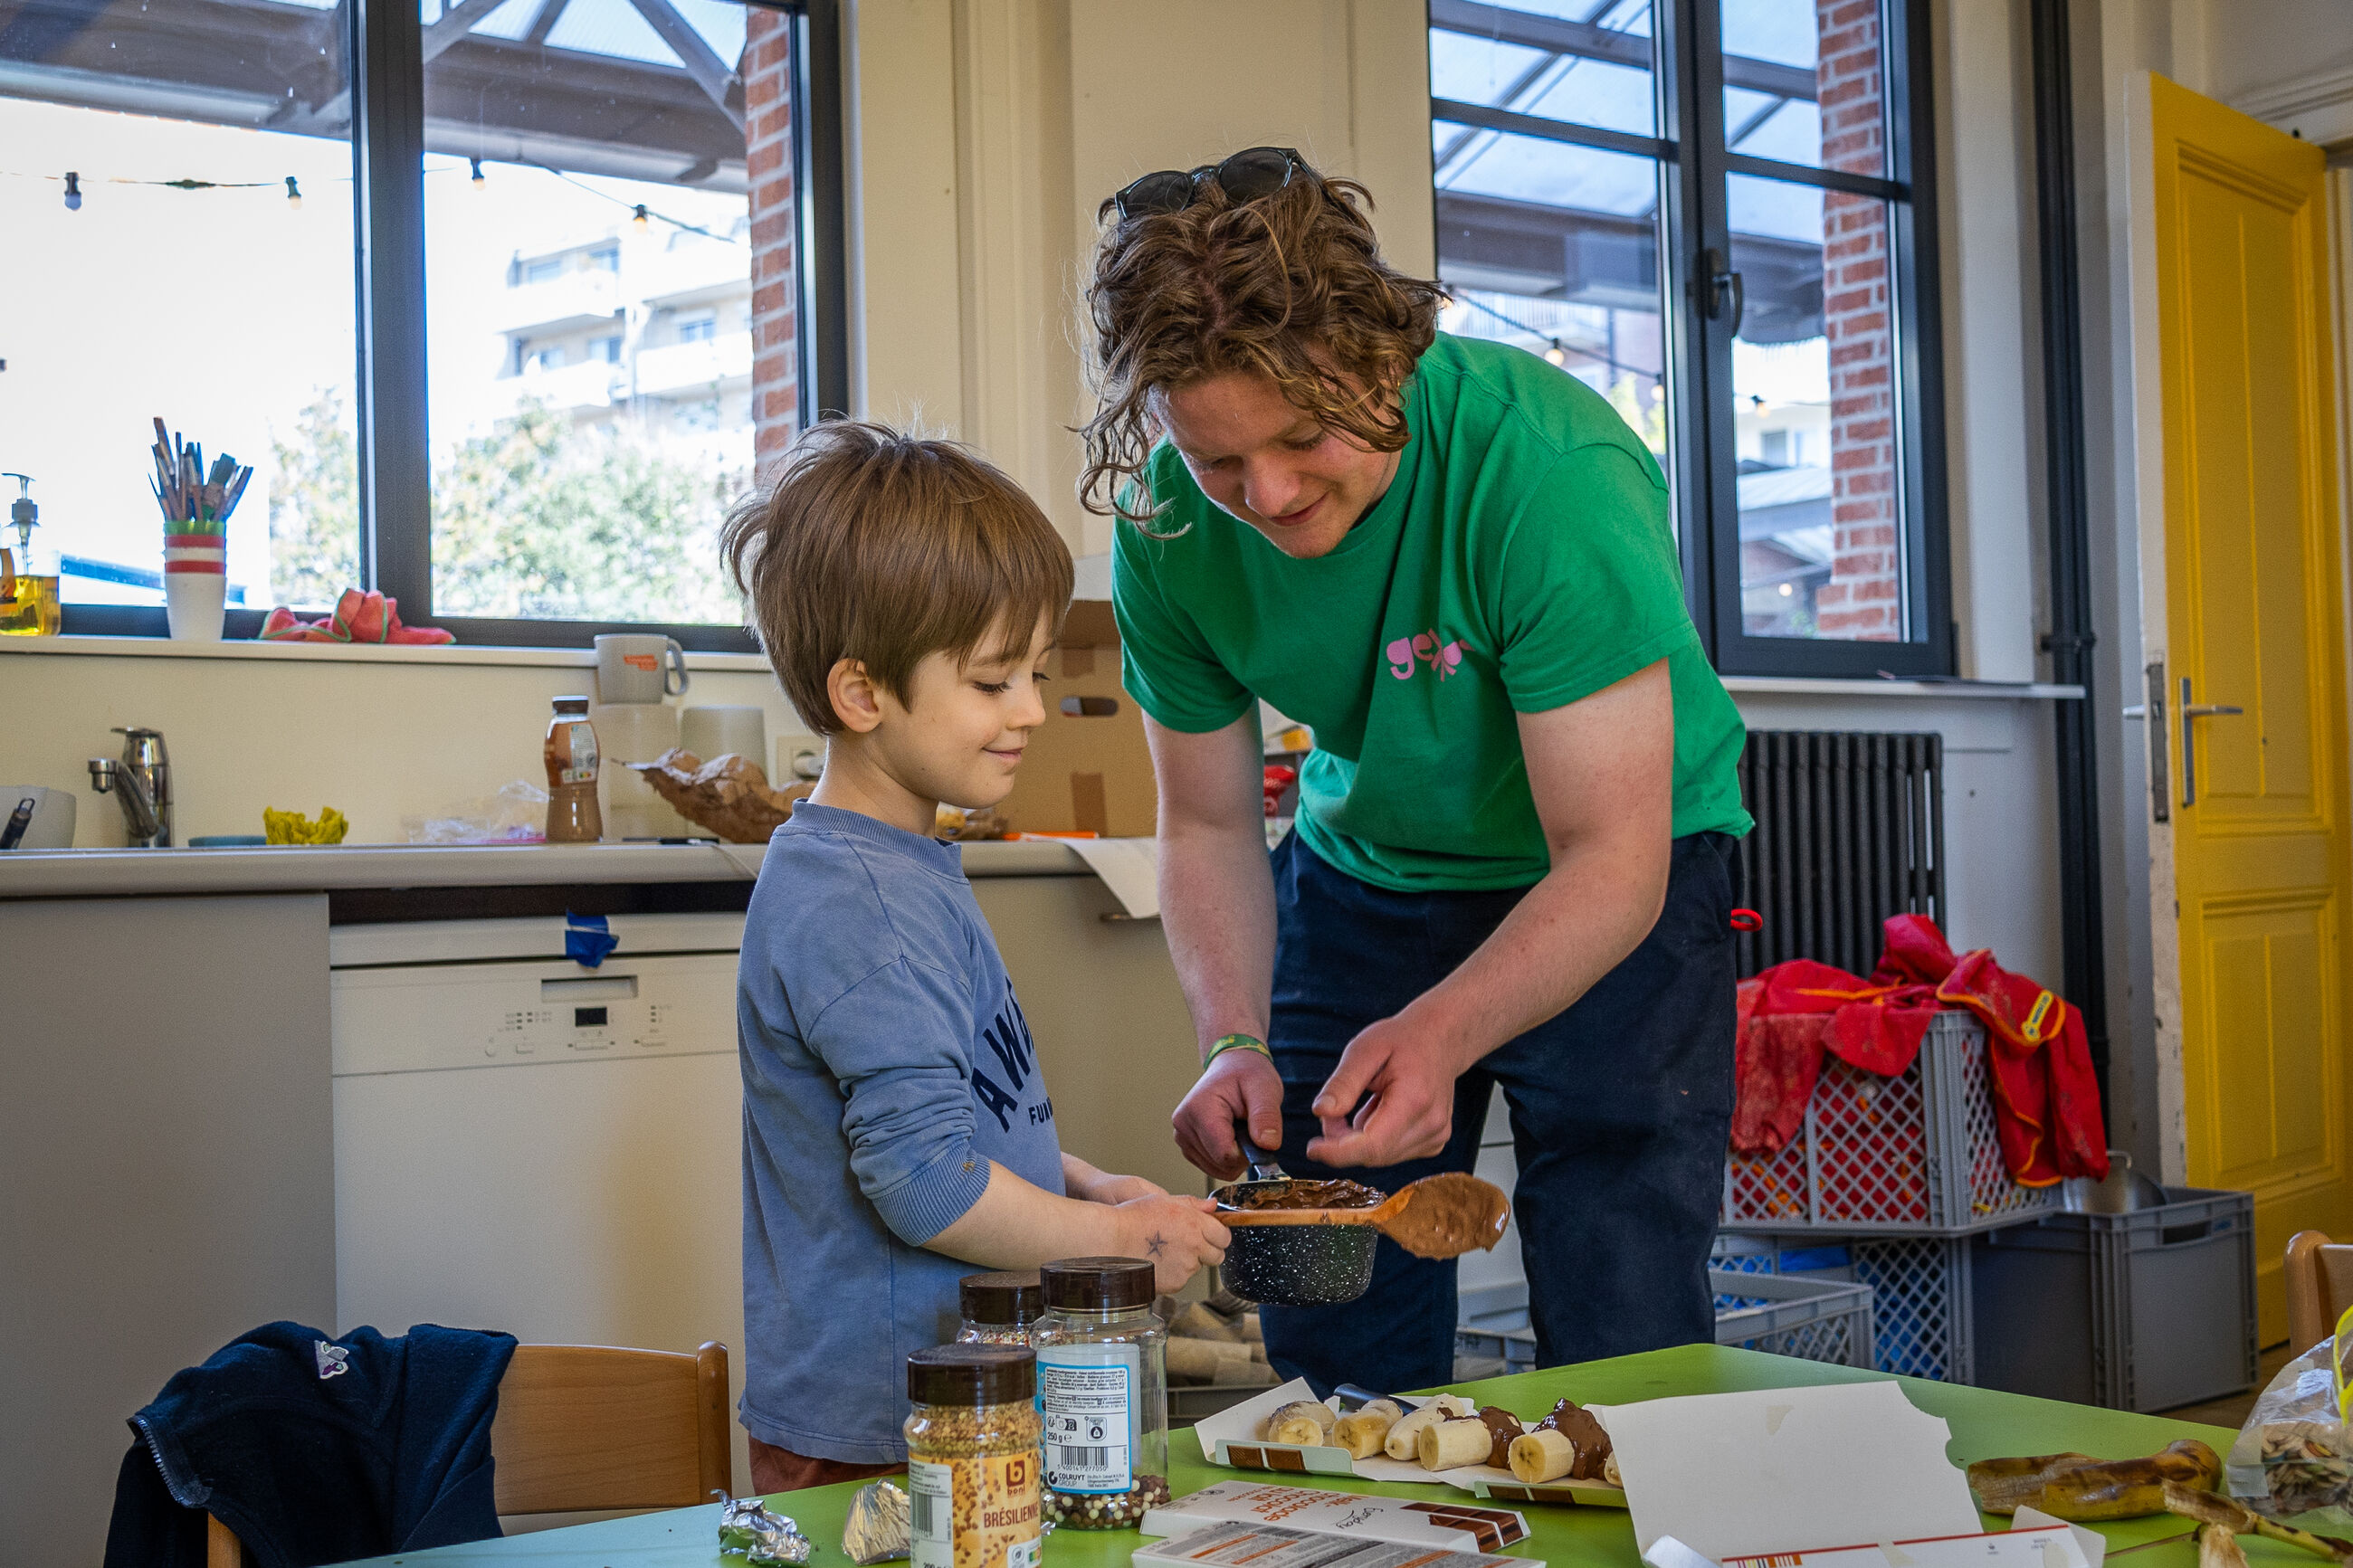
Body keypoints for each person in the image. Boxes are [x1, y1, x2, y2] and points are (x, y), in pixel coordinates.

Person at [1082, 148, 1752, 1395]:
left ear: (1386, 358)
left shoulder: (1548, 474)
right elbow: (1210, 824)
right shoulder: (1168, 525)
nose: (1267, 493)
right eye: (1219, 459)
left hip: (1613, 875)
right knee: (1328, 1303)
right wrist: (1231, 1035)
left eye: (1302, 437)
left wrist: (1443, 1026)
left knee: (1621, 1297)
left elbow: (1610, 858)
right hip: (1369, 870)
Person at [720, 422, 1229, 1492]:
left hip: (952, 1401)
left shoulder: (900, 864)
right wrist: (1119, 1243)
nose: (1032, 710)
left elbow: (959, 1118)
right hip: (882, 1429)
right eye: (994, 681)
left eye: (1033, 673)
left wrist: (1086, 1183)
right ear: (862, 694)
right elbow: (923, 1184)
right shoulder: (859, 902)